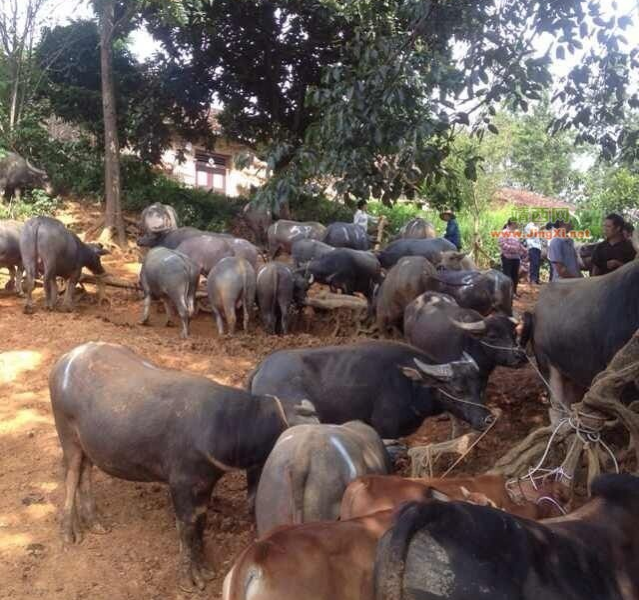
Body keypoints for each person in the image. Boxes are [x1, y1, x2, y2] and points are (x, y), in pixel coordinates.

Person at [498, 218, 526, 296]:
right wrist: (513, 249)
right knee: (507, 276)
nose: (517, 224)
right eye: (516, 223)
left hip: (516, 257)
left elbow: (518, 244)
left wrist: (523, 249)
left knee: (515, 276)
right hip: (507, 257)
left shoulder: (516, 233)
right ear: (512, 223)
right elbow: (502, 244)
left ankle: (514, 292)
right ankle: (507, 294)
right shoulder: (504, 232)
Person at [524, 220, 542, 284]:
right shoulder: (529, 226)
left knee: (537, 264)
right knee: (534, 263)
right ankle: (533, 279)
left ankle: (536, 279)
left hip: (537, 247)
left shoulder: (535, 226)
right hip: (532, 246)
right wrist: (539, 228)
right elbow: (533, 234)